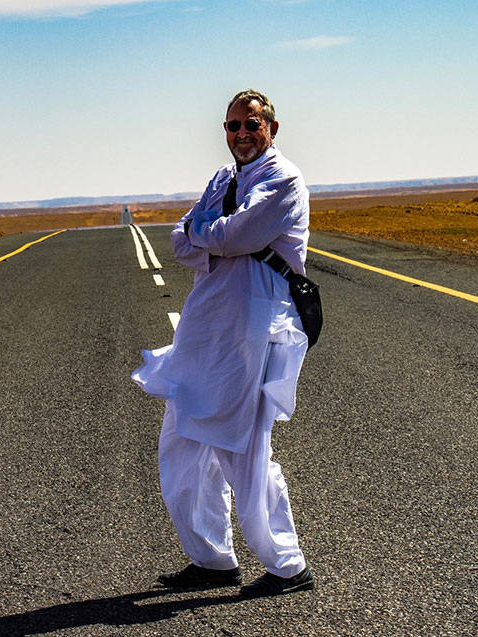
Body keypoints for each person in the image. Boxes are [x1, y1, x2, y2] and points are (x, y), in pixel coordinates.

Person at [132, 89, 314, 597]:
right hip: (204, 329)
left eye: (251, 125)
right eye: (233, 126)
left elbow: (238, 235)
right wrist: (213, 234)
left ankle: (287, 565)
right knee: (182, 442)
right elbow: (180, 240)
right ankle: (212, 559)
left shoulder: (283, 180)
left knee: (244, 450)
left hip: (252, 331)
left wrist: (209, 234)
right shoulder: (222, 179)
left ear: (272, 129)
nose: (241, 135)